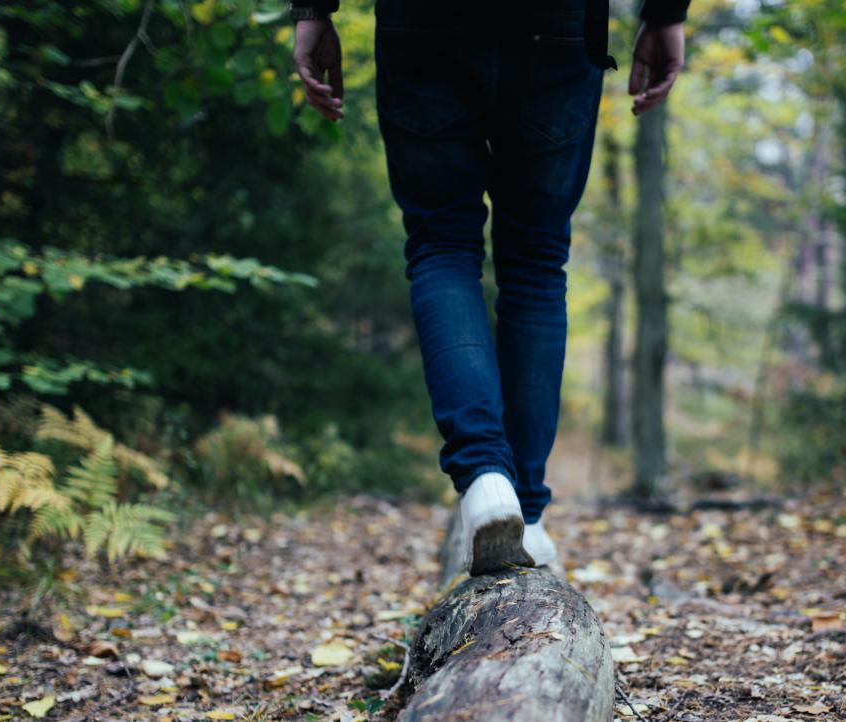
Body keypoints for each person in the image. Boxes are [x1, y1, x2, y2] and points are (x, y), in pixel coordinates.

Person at [290, 0, 688, 575]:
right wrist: (666, 13)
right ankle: (524, 512)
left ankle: (485, 482)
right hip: (556, 24)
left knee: (442, 245)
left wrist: (311, 10)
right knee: (535, 263)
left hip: (421, 23)